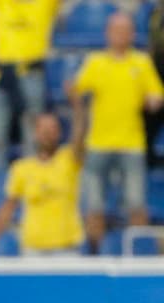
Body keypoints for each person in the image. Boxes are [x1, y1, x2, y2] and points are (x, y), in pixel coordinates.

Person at [69, 12, 164, 254]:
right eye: (116, 30)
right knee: (94, 206)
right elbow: (76, 88)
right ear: (108, 33)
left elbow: (156, 94)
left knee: (136, 204)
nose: (121, 35)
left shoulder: (141, 63)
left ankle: (138, 254)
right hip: (98, 143)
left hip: (131, 143)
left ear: (132, 34)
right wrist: (78, 111)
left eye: (125, 30)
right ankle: (96, 255)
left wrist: (152, 101)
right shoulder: (96, 62)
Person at [0, 113, 84, 257]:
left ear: (59, 133)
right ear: (35, 133)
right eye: (43, 129)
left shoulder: (69, 159)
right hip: (33, 248)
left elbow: (80, 137)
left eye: (52, 128)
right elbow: (8, 208)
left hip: (67, 247)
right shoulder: (21, 168)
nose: (47, 133)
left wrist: (78, 109)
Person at [0, 0, 59, 177]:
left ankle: (30, 183)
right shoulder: (3, 3)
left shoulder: (43, 4)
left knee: (32, 138)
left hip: (32, 74)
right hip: (2, 75)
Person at [146, 3, 164, 171]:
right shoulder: (156, 14)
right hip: (158, 74)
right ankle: (149, 157)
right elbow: (152, 47)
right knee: (149, 117)